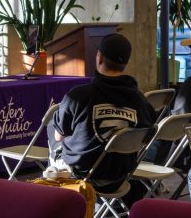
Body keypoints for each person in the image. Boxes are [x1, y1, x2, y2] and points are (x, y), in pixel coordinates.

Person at [47, 33, 156, 201]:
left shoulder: (77, 96)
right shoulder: (140, 100)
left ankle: (59, 200)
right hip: (121, 176)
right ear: (125, 63)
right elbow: (145, 137)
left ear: (99, 58)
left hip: (82, 174)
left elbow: (59, 136)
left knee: (52, 128)